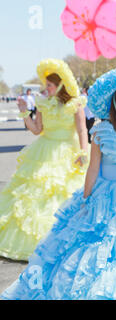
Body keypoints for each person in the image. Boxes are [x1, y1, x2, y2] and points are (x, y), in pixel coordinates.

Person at [1, 66, 116, 300]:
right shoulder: (101, 131)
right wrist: (86, 198)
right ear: (114, 105)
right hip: (104, 195)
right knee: (97, 248)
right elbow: (93, 168)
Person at [0, 59, 89, 261]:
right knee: (35, 196)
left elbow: (82, 129)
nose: (46, 89)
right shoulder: (42, 104)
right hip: (44, 150)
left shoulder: (76, 104)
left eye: (49, 85)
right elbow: (36, 130)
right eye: (46, 85)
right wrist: (24, 112)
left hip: (69, 152)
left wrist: (83, 152)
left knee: (64, 195)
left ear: (60, 85)